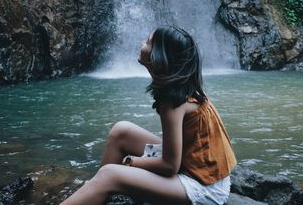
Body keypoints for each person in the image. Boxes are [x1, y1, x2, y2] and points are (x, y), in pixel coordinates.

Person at [61, 27, 237, 205]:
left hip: (203, 186)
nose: (141, 44)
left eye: (147, 42)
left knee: (109, 174)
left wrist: (130, 162)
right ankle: (97, 191)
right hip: (200, 165)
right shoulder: (183, 87)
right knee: (122, 131)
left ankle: (102, 184)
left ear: (159, 57)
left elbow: (169, 166)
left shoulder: (172, 100)